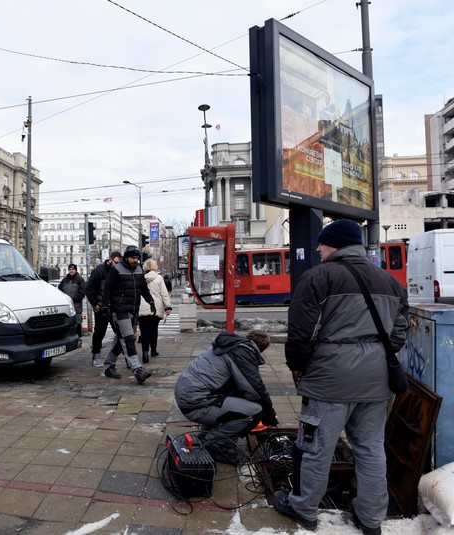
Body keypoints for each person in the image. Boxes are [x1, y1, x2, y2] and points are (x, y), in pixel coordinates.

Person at [273, 219, 409, 534]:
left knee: (317, 448)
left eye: (322, 243)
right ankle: (372, 518)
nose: (317, 248)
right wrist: (375, 353)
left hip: (330, 382)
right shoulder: (390, 282)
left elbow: (300, 333)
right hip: (375, 383)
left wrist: (298, 364)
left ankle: (305, 508)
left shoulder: (318, 277)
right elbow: (400, 333)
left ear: (334, 244)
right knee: (371, 449)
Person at [174, 330, 277, 465]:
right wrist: (268, 411)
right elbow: (254, 388)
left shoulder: (230, 346)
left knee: (230, 403)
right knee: (255, 411)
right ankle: (214, 443)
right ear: (262, 349)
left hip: (188, 396)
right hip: (195, 404)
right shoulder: (242, 353)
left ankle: (205, 436)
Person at [101, 247, 156, 384]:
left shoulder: (138, 270)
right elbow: (107, 289)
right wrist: (105, 307)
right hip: (119, 311)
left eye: (137, 258)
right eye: (133, 258)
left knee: (121, 342)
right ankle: (137, 370)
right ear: (126, 258)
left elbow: (143, 288)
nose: (135, 261)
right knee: (129, 339)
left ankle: (109, 366)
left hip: (133, 310)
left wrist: (151, 301)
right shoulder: (116, 270)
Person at [84, 251, 122, 367]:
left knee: (121, 334)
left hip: (114, 307)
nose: (117, 265)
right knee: (99, 333)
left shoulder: (118, 271)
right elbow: (89, 288)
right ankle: (96, 356)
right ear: (110, 259)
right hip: (101, 307)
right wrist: (95, 304)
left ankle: (125, 358)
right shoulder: (99, 271)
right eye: (115, 262)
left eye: (119, 263)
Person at [137, 259, 172, 362]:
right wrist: (168, 306)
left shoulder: (141, 278)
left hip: (143, 307)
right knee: (154, 330)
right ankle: (153, 350)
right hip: (155, 308)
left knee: (144, 331)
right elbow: (164, 293)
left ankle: (144, 353)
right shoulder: (159, 278)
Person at [58, 264, 86, 342]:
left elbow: (82, 292)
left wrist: (73, 299)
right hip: (66, 307)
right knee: (67, 324)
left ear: (76, 270)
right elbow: (59, 290)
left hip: (76, 307)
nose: (71, 270)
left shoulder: (80, 280)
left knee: (77, 324)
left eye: (73, 269)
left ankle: (78, 340)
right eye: (70, 269)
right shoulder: (64, 280)